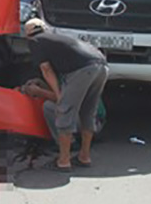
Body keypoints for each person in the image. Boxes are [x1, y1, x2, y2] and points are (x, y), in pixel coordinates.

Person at [24, 18, 109, 171]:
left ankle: (63, 161)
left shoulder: (35, 40)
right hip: (101, 65)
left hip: (83, 70)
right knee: (87, 113)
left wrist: (56, 95)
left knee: (63, 111)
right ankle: (84, 157)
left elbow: (46, 70)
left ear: (28, 33)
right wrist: (44, 85)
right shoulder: (60, 40)